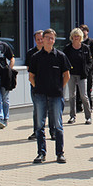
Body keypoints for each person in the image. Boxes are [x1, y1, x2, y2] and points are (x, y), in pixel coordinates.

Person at [28, 28, 70, 164]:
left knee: (58, 125)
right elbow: (31, 77)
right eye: (47, 38)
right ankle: (41, 153)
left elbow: (66, 76)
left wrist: (58, 88)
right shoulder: (36, 57)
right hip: (40, 95)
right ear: (43, 39)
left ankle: (60, 153)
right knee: (40, 125)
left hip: (56, 95)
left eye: (52, 38)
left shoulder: (61, 56)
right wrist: (38, 88)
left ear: (54, 40)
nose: (49, 40)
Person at [25, 30, 54, 141]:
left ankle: (53, 132)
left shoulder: (52, 52)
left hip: (51, 86)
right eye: (38, 39)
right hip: (36, 87)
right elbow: (29, 71)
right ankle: (36, 132)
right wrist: (36, 85)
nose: (40, 41)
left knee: (51, 109)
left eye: (42, 39)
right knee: (38, 110)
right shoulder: (31, 54)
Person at [64, 28, 93, 124]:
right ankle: (72, 116)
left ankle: (88, 117)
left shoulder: (85, 48)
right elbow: (64, 60)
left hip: (82, 75)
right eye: (74, 36)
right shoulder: (68, 48)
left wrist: (87, 69)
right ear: (72, 37)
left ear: (81, 37)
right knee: (72, 95)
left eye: (78, 36)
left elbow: (90, 61)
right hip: (71, 74)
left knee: (83, 95)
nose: (76, 38)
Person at [79, 24, 93, 110]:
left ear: (87, 31)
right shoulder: (78, 42)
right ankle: (79, 106)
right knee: (78, 87)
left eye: (83, 30)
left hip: (88, 68)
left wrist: (87, 62)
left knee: (88, 86)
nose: (82, 32)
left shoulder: (91, 42)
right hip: (79, 68)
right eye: (80, 30)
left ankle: (90, 105)